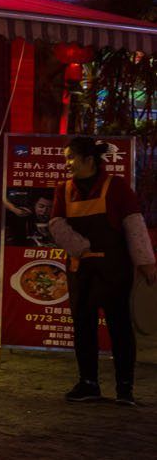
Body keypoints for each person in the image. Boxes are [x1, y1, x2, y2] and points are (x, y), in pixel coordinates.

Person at [49, 136, 156, 406]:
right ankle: (88, 383)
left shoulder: (116, 187)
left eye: (71, 157)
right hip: (80, 270)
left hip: (113, 270)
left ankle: (124, 388)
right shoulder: (64, 189)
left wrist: (145, 262)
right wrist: (78, 246)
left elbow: (134, 226)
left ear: (89, 159)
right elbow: (56, 224)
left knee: (119, 326)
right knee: (83, 327)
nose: (67, 163)